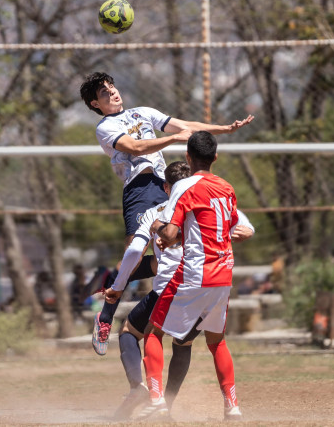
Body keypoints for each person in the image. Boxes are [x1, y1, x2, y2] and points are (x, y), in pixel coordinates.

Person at [79, 72, 254, 354]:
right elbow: (134, 147)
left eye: (113, 87)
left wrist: (224, 129)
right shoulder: (105, 127)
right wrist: (174, 140)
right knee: (134, 253)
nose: (112, 93)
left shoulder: (143, 112)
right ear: (95, 104)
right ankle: (106, 316)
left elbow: (185, 126)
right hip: (139, 188)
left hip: (165, 188)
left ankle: (110, 280)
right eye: (103, 93)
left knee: (170, 256)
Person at [102, 161, 254, 419]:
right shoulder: (212, 195)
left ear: (166, 187)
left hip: (178, 284)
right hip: (214, 280)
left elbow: (136, 252)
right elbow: (242, 223)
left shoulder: (159, 210)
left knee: (135, 331)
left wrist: (117, 286)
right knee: (186, 343)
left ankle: (150, 395)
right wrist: (247, 230)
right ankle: (184, 405)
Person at [139, 131, 243, 421]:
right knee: (217, 342)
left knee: (153, 333)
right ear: (216, 157)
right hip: (224, 274)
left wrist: (159, 227)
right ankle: (232, 406)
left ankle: (157, 399)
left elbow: (171, 233)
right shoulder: (227, 187)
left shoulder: (184, 185)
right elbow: (230, 226)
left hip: (195, 272)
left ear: (188, 156)